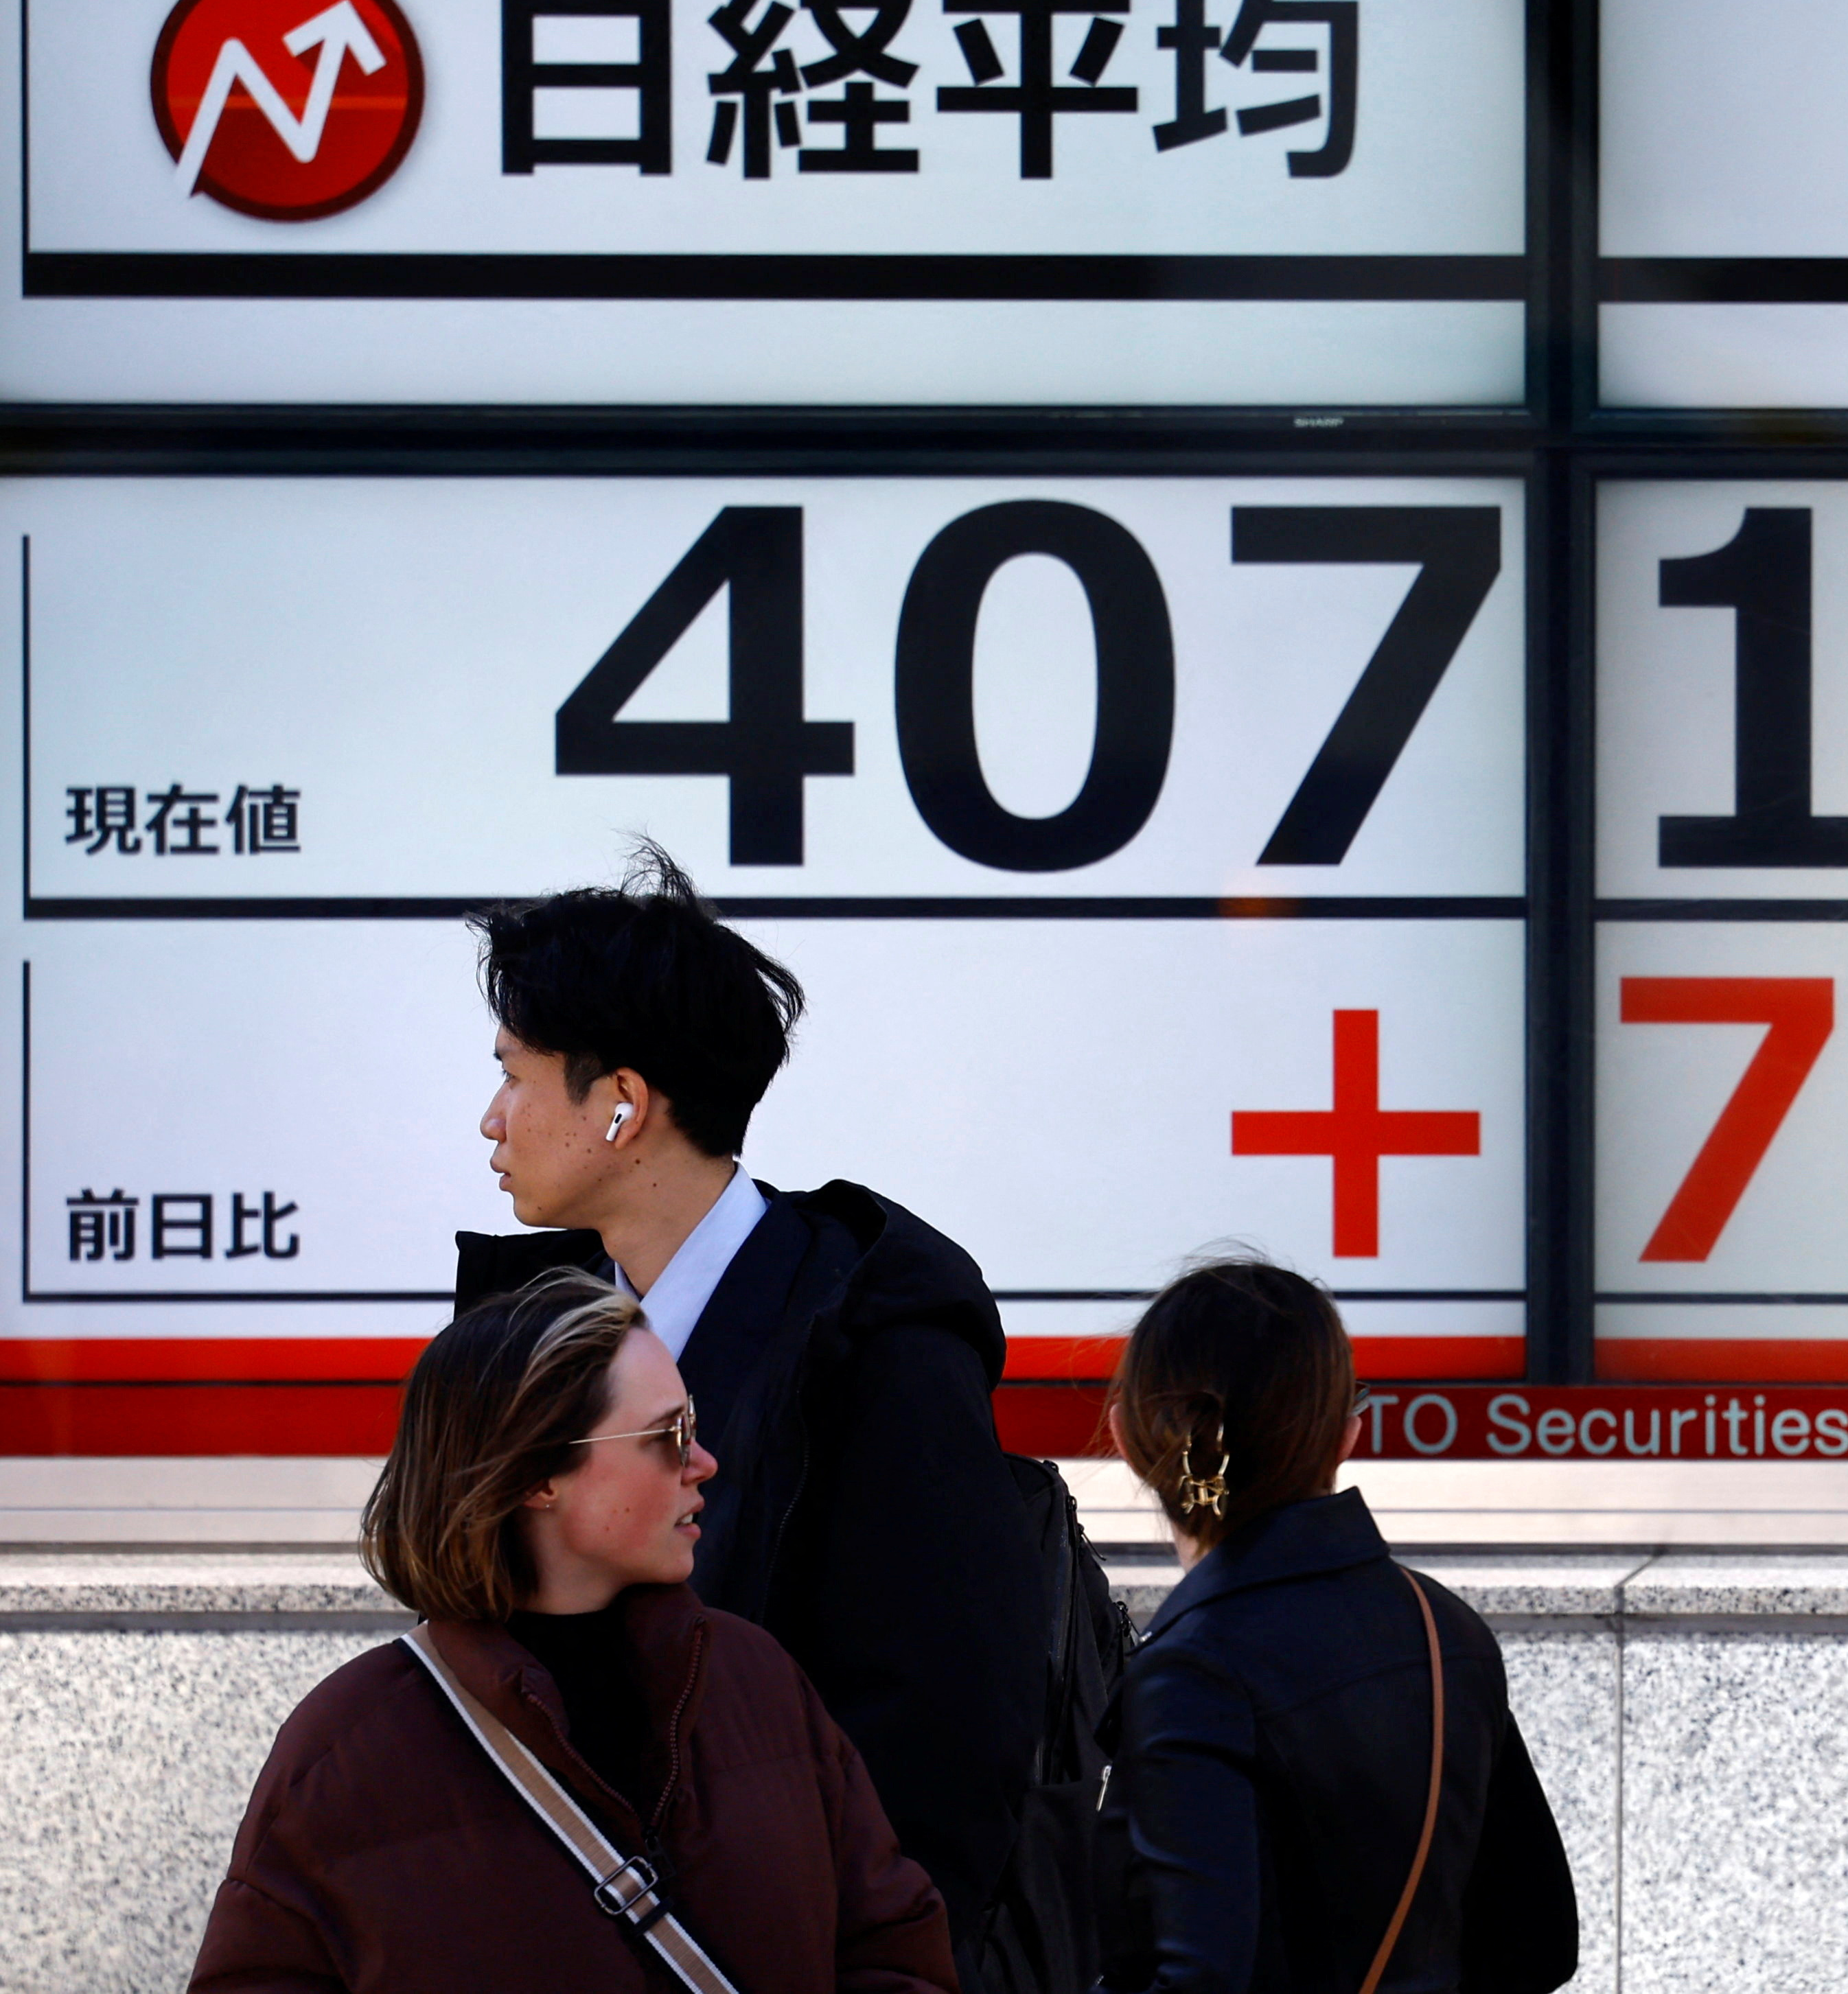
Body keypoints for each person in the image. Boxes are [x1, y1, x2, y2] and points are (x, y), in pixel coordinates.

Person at [456, 845, 1041, 1959]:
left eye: (516, 1076)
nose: (492, 1119)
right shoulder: (526, 1342)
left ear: (623, 1106)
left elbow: (949, 1728)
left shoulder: (872, 1338)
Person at [192, 1271, 956, 1993]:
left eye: (696, 1423)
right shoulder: (346, 1751)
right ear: (536, 1474)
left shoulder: (753, 1678)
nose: (705, 1462)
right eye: (668, 1434)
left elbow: (892, 1944)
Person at [1097, 1260, 1579, 1994]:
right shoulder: (1445, 1630)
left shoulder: (1193, 1673)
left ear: (1128, 1436)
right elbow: (1537, 1941)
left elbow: (1197, 1977)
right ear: (1345, 1433)